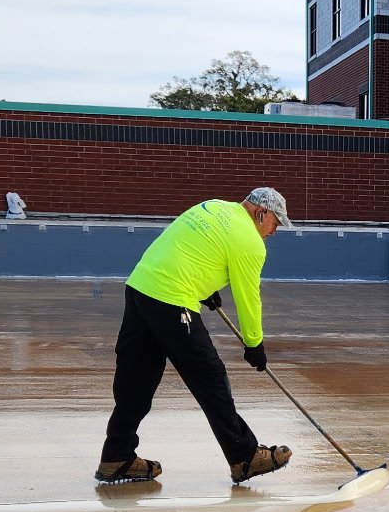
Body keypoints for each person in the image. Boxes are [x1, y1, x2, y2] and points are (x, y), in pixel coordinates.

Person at [96, 187, 294, 487]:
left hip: (140, 287)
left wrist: (204, 286)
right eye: (275, 223)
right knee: (209, 376)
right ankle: (245, 456)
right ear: (261, 213)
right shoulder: (250, 241)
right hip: (172, 299)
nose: (274, 231)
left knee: (136, 380)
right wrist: (254, 343)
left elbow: (188, 246)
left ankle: (116, 456)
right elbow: (248, 298)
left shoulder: (213, 207)